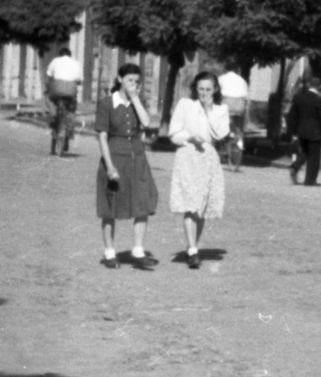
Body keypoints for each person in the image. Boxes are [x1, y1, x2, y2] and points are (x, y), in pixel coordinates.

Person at [94, 63, 158, 268]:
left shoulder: (137, 102)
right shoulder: (106, 103)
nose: (133, 84)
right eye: (130, 80)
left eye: (137, 81)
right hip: (115, 157)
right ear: (120, 79)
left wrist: (135, 98)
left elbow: (147, 123)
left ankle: (138, 250)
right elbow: (103, 137)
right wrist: (110, 166)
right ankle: (110, 252)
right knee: (110, 206)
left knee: (143, 201)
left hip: (137, 157)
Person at [168, 71, 230, 269]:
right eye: (201, 89)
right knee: (190, 203)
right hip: (188, 156)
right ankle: (193, 249)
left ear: (215, 90)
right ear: (195, 88)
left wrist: (208, 109)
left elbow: (219, 133)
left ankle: (192, 246)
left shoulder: (221, 110)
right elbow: (173, 133)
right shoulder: (185, 105)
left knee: (201, 206)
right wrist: (189, 137)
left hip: (207, 159)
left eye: (208, 89)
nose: (204, 93)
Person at [286, 74, 321, 186]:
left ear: (309, 85)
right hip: (315, 132)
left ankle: (295, 166)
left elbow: (291, 116)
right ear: (319, 86)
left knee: (305, 152)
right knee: (314, 156)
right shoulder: (319, 100)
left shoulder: (299, 97)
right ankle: (310, 180)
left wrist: (292, 131)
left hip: (301, 131)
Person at [44, 47, 84, 156]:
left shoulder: (55, 61)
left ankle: (52, 121)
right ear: (70, 55)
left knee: (50, 102)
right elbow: (80, 80)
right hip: (71, 91)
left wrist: (48, 87)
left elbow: (48, 76)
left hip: (56, 89)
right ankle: (68, 133)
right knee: (71, 111)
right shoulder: (76, 63)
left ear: (60, 54)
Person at [218, 69, 249, 172]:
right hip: (241, 103)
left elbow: (215, 92)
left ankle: (225, 139)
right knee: (239, 129)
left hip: (228, 102)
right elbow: (246, 95)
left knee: (222, 122)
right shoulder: (242, 80)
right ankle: (239, 139)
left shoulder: (221, 79)